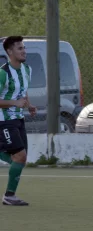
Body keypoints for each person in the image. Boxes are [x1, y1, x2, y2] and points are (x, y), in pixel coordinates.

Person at [0, 36, 37, 206]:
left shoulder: (27, 69)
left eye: (24, 48)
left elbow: (23, 91)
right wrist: (15, 103)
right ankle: (9, 196)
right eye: (20, 48)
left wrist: (28, 105)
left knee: (21, 158)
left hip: (18, 119)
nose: (24, 51)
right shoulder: (3, 73)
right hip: (4, 120)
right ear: (9, 52)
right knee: (20, 156)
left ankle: (10, 196)